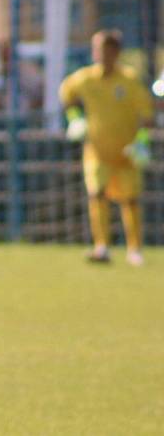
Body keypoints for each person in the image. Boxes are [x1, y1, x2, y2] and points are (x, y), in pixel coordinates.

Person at [60, 29, 153, 265]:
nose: (101, 54)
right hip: (97, 152)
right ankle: (101, 246)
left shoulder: (130, 80)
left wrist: (141, 142)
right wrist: (75, 118)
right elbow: (66, 94)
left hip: (126, 153)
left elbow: (147, 114)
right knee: (97, 195)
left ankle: (135, 249)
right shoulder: (85, 78)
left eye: (106, 50)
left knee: (130, 199)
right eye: (98, 49)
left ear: (116, 52)